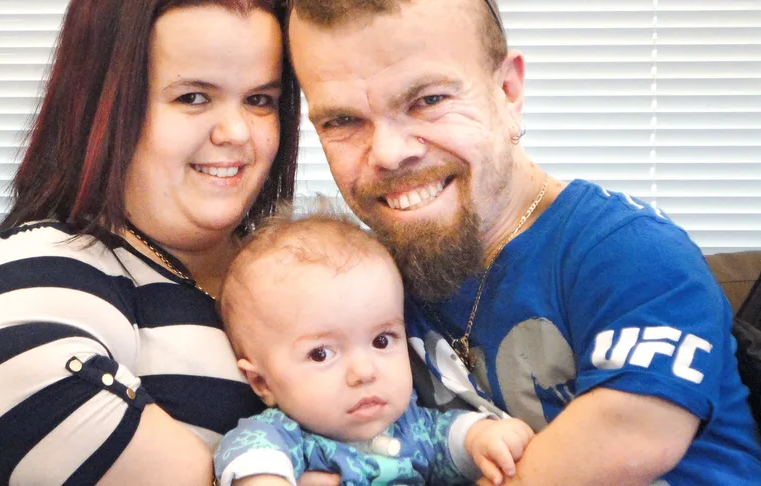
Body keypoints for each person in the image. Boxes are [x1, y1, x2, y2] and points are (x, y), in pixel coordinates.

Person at [286, 0, 761, 484]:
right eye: (341, 121)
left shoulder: (631, 251)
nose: (388, 154)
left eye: (428, 100)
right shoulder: (356, 281)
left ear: (507, 90)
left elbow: (634, 435)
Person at [0, 0, 303, 484]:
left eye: (260, 100)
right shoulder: (38, 270)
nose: (237, 132)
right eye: (193, 97)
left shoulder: (306, 268)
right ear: (102, 105)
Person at [213, 213, 534, 485]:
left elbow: (451, 438)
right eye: (321, 353)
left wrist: (482, 437)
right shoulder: (284, 437)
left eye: (382, 340)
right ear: (262, 382)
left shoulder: (413, 427)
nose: (364, 372)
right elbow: (249, 456)